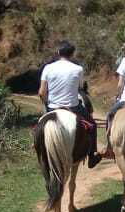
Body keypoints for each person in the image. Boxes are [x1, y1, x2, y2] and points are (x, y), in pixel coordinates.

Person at [39, 40, 102, 168]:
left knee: (39, 128)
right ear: (72, 54)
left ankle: (38, 150)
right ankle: (91, 156)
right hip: (73, 107)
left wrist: (47, 104)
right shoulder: (78, 69)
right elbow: (79, 87)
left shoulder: (48, 68)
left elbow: (41, 92)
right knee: (93, 125)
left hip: (52, 107)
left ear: (58, 52)